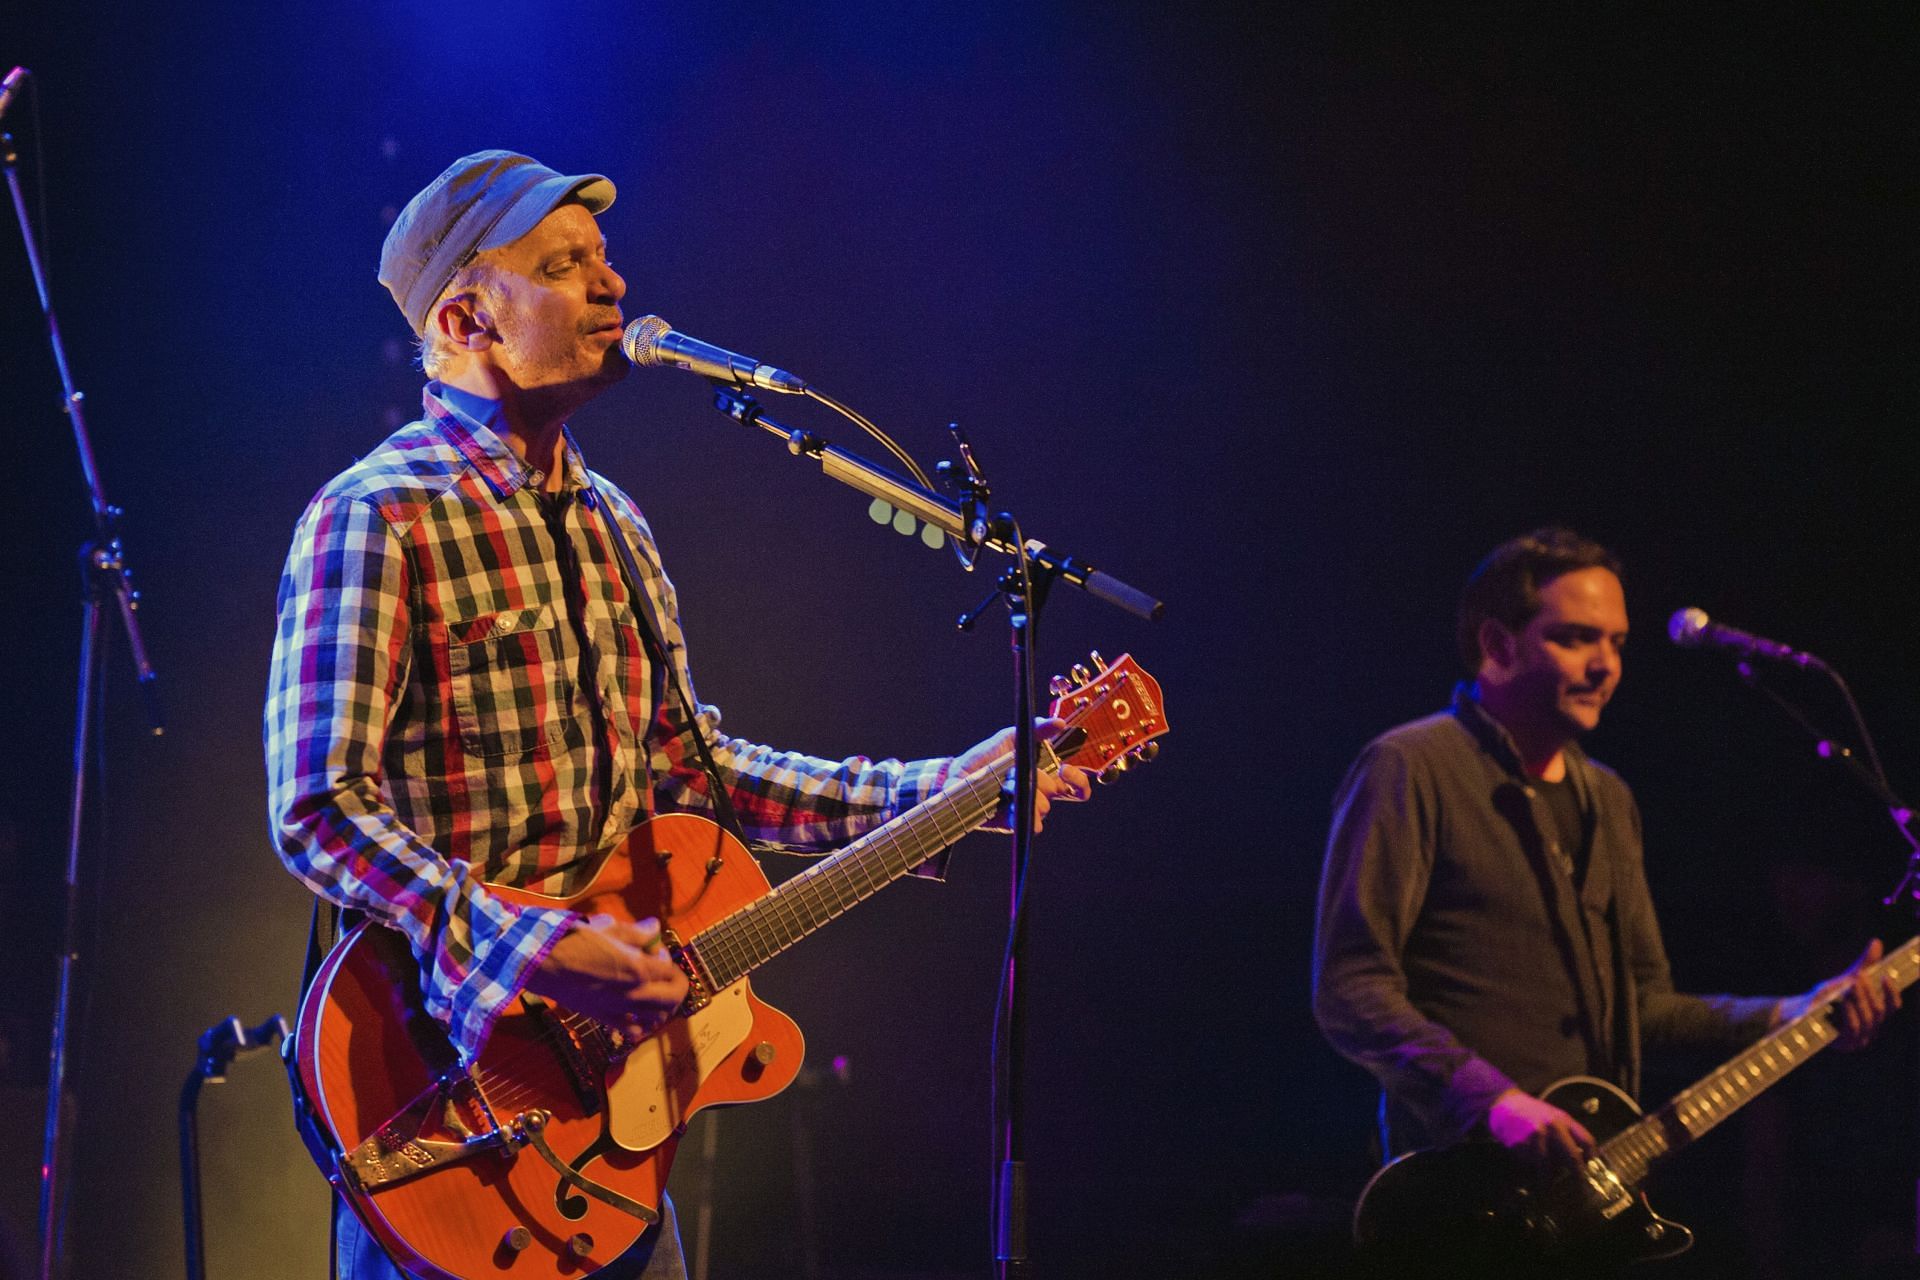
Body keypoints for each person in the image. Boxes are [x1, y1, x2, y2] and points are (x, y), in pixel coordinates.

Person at [265, 150, 1090, 1280]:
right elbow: (316, 807)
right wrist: (533, 946)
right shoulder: (374, 516)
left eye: (605, 260)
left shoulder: (615, 524)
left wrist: (947, 788)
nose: (612, 286)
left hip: (607, 1125)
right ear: (466, 315)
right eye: (563, 267)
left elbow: (700, 771)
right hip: (453, 1103)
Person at [1311, 528, 1895, 1179]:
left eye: (1616, 642)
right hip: (1463, 1190)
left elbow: (1645, 1009)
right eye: (1576, 638)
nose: (1606, 665)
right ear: (1497, 646)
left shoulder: (1609, 799)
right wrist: (1494, 1103)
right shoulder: (1410, 767)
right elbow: (1351, 987)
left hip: (1591, 1192)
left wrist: (1793, 1014)